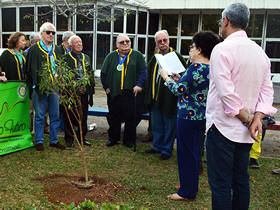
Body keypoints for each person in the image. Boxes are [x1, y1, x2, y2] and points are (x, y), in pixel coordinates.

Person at [205, 3, 277, 210]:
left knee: (221, 183)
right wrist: (257, 118)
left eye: (221, 21)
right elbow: (267, 90)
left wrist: (250, 119)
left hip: (223, 128)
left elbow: (226, 93)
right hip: (247, 131)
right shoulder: (259, 52)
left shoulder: (222, 49)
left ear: (226, 20)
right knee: (240, 180)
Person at [159, 31, 221, 200]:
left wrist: (166, 77)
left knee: (185, 154)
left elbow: (178, 90)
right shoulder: (211, 67)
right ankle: (189, 185)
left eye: (192, 47)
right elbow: (192, 87)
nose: (191, 50)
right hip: (202, 117)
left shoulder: (195, 67)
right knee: (194, 153)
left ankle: (187, 192)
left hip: (187, 117)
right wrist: (180, 78)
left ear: (200, 50)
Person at [144, 30, 188, 160]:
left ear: (169, 40)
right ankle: (157, 146)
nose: (162, 43)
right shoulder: (155, 57)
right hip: (155, 97)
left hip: (169, 99)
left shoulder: (176, 56)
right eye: (159, 41)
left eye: (165, 40)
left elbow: (184, 78)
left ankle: (167, 149)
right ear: (156, 43)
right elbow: (149, 75)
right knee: (156, 125)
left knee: (169, 125)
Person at [101, 34, 147, 148]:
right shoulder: (111, 56)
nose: (125, 44)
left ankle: (128, 140)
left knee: (131, 117)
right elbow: (103, 73)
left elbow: (143, 72)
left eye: (127, 41)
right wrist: (106, 87)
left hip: (130, 92)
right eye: (122, 42)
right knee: (114, 116)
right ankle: (113, 138)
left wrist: (139, 85)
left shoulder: (137, 56)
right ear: (117, 44)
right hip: (114, 92)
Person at [26, 22, 65, 151]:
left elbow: (61, 66)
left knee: (55, 114)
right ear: (41, 33)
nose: (51, 35)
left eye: (53, 33)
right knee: (40, 115)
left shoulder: (58, 49)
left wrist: (59, 75)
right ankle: (39, 141)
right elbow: (29, 70)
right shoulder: (34, 49)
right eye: (48, 32)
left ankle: (54, 140)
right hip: (40, 87)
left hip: (55, 87)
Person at [61, 35, 95, 147]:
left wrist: (87, 88)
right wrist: (75, 88)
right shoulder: (65, 58)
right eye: (76, 42)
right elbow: (64, 77)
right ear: (70, 45)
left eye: (80, 42)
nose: (79, 44)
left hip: (84, 93)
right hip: (71, 94)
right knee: (69, 116)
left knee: (83, 116)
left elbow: (90, 74)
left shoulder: (86, 57)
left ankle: (82, 138)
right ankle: (69, 139)